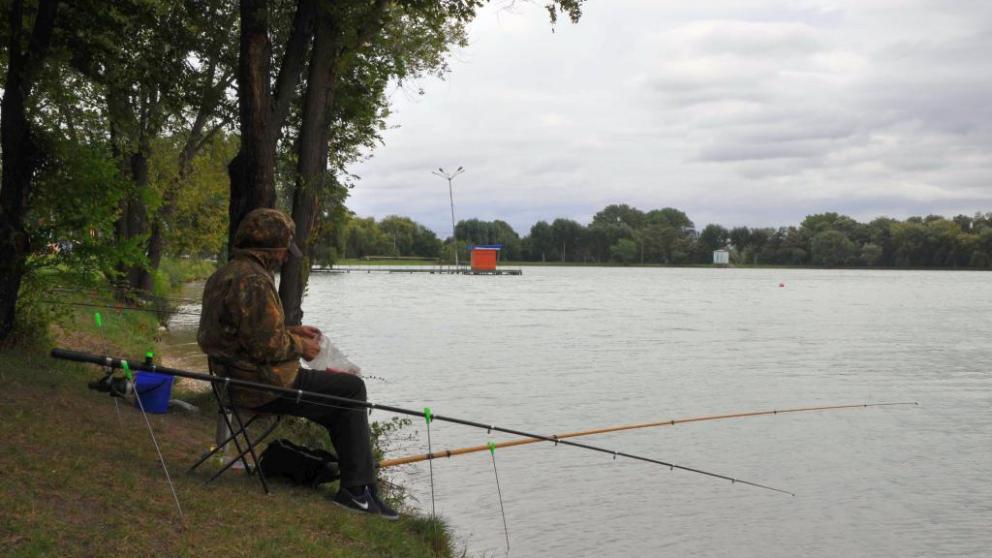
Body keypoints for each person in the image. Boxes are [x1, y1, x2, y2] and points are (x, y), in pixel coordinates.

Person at [197, 207, 397, 519]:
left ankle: (359, 487)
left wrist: (291, 330)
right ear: (269, 248)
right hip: (261, 385)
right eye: (282, 249)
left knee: (340, 403)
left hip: (234, 380)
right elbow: (267, 346)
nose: (285, 257)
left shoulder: (226, 274)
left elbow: (240, 334)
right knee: (353, 388)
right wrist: (302, 346)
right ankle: (358, 490)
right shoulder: (254, 281)